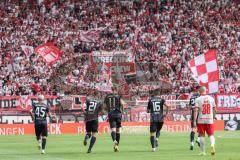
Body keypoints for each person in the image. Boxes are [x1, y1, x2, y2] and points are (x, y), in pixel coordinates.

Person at [193, 86, 216, 156]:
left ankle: (203, 152)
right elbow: (215, 109)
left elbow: (196, 110)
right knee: (211, 135)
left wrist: (194, 120)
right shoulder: (211, 98)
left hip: (201, 120)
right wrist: (213, 117)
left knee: (202, 136)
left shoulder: (197, 99)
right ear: (205, 91)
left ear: (199, 91)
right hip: (209, 119)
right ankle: (212, 145)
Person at [104, 86, 124, 152]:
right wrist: (122, 111)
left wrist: (108, 110)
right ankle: (117, 146)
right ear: (116, 89)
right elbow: (122, 104)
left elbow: (104, 106)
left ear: (111, 89)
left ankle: (114, 141)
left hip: (111, 114)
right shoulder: (118, 96)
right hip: (118, 114)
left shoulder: (107, 96)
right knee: (118, 130)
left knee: (113, 130)